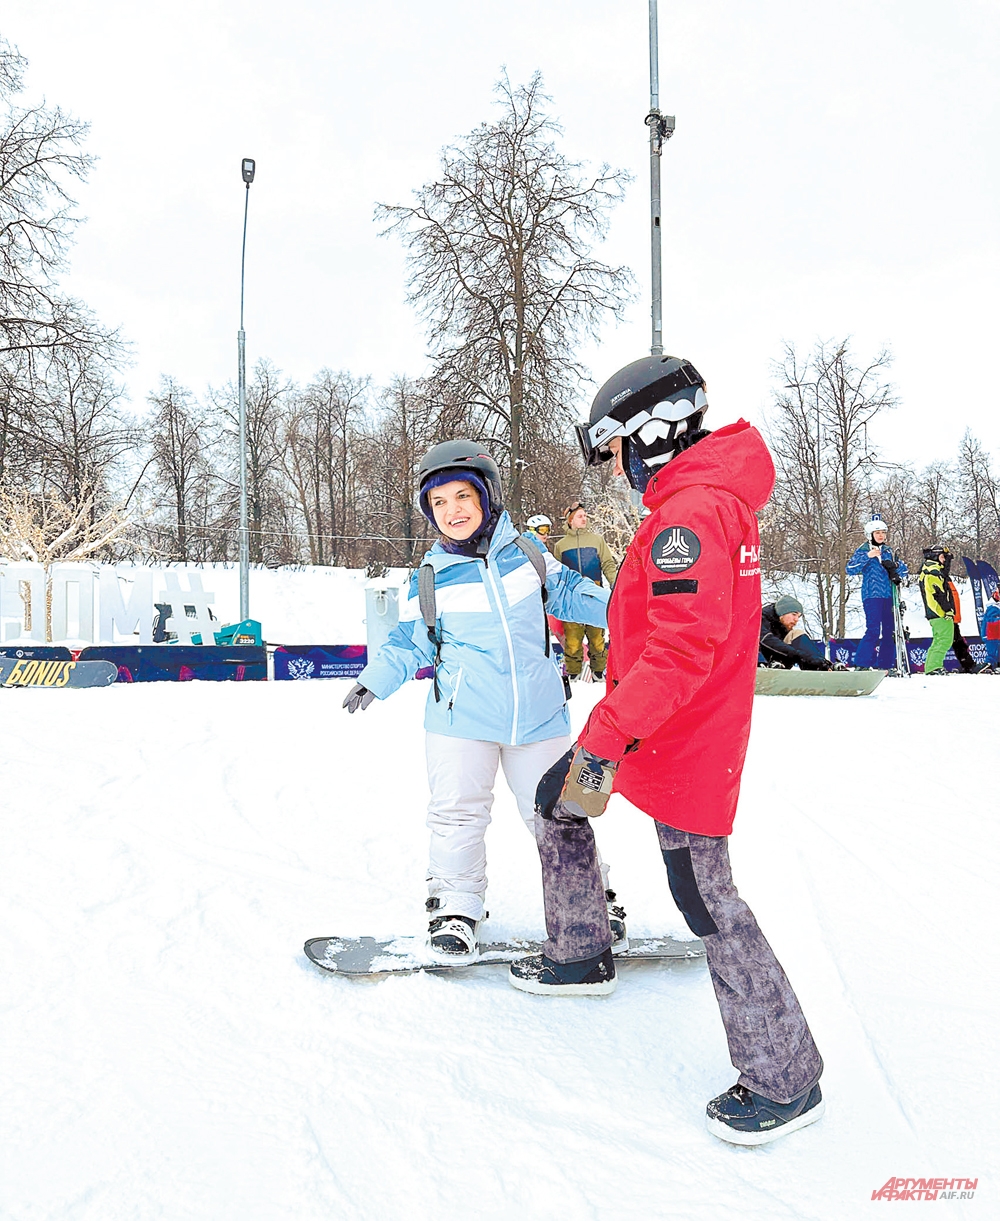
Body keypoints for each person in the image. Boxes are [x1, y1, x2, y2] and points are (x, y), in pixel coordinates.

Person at [509, 355, 824, 1147]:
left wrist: (604, 738)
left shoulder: (690, 515)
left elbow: (683, 652)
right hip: (655, 737)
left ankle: (786, 1077)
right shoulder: (702, 502)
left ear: (651, 435)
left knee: (706, 898)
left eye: (616, 450)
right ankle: (580, 950)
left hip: (671, 745)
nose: (616, 468)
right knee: (559, 804)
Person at [341, 440, 625, 960]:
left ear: (487, 497)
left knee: (559, 812)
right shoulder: (429, 579)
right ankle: (454, 907)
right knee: (457, 813)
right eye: (439, 502)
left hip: (538, 716)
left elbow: (582, 598)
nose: (452, 511)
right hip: (460, 719)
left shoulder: (532, 557)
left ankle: (588, 901)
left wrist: (634, 614)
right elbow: (410, 640)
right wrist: (375, 678)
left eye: (461, 497)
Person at [553, 502, 619, 680]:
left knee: (597, 637)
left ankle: (598, 672)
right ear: (570, 520)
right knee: (572, 640)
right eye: (580, 516)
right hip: (572, 595)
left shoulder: (597, 540)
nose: (584, 518)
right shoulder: (561, 545)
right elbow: (557, 572)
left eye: (585, 515)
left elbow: (607, 563)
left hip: (594, 591)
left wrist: (615, 585)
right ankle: (573, 674)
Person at [846, 516, 907, 669]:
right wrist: (868, 556)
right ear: (870, 534)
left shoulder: (888, 551)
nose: (881, 536)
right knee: (873, 629)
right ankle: (862, 663)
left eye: (883, 533)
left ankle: (886, 665)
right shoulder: (863, 550)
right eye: (877, 533)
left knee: (890, 630)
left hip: (889, 595)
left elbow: (904, 570)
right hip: (872, 595)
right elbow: (850, 569)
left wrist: (895, 566)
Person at [759, 595, 834, 671]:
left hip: (781, 658)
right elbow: (768, 641)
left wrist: (813, 660)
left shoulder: (784, 625)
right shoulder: (760, 619)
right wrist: (799, 655)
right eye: (794, 614)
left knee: (797, 634)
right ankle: (772, 663)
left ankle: (822, 666)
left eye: (798, 616)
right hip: (758, 660)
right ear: (782, 612)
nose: (796, 619)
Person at [917, 546, 955, 674]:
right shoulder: (933, 572)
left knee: (938, 640)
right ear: (935, 557)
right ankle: (933, 667)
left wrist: (947, 561)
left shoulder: (929, 570)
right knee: (945, 640)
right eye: (942, 557)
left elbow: (943, 576)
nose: (944, 559)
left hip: (934, 612)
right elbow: (939, 593)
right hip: (939, 611)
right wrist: (947, 609)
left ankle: (931, 667)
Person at [981, 587, 1000, 672]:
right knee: (993, 653)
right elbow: (993, 620)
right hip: (991, 634)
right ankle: (988, 666)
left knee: (996, 652)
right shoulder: (992, 607)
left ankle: (994, 666)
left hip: (995, 634)